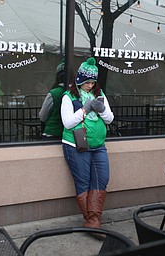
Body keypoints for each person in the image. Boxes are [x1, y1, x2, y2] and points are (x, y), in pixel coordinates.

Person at [61, 57, 114, 229]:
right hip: (76, 145)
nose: (90, 86)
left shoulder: (100, 95)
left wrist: (102, 109)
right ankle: (93, 221)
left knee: (102, 178)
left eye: (92, 82)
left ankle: (93, 221)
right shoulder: (68, 97)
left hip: (98, 145)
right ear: (79, 80)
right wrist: (85, 109)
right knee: (83, 181)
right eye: (87, 82)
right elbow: (68, 123)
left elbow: (110, 119)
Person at [39, 60, 65, 139]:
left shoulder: (53, 93)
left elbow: (42, 116)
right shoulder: (76, 93)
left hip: (52, 133)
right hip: (69, 135)